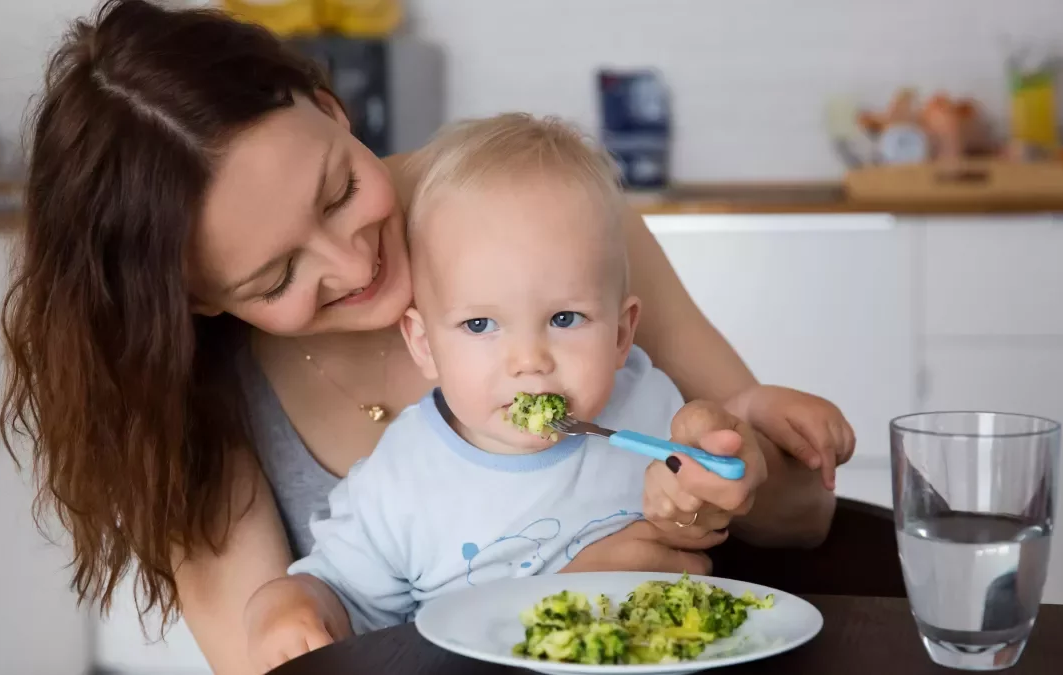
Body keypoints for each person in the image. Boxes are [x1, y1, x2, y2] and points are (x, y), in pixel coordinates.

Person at [0, 2, 851, 674]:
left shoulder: (537, 219)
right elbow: (285, 643)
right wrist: (548, 611)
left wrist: (726, 479)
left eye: (337, 191)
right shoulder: (192, 400)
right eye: (276, 277)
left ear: (331, 107)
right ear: (197, 304)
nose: (351, 259)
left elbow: (805, 514)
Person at [242, 113, 855, 671]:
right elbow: (335, 590)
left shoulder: (647, 405)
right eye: (480, 325)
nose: (530, 361)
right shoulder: (397, 483)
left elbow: (719, 453)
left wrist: (748, 421)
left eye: (564, 319)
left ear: (622, 334)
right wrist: (286, 604)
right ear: (424, 344)